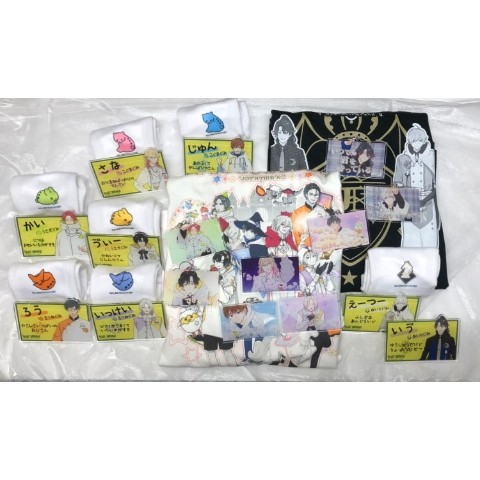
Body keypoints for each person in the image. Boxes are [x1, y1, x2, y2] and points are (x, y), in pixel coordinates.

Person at [393, 123, 437, 247]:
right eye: (413, 141)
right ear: (409, 141)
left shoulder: (431, 156)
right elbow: (397, 182)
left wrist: (425, 200)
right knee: (410, 239)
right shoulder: (402, 158)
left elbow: (436, 185)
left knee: (430, 240)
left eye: (419, 140)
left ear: (424, 140)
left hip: (428, 202)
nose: (417, 143)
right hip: (408, 203)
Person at [291, 183, 329, 247]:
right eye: (311, 194)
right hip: (305, 247)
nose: (313, 197)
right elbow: (296, 234)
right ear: (306, 195)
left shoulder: (322, 211)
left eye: (316, 195)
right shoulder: (296, 213)